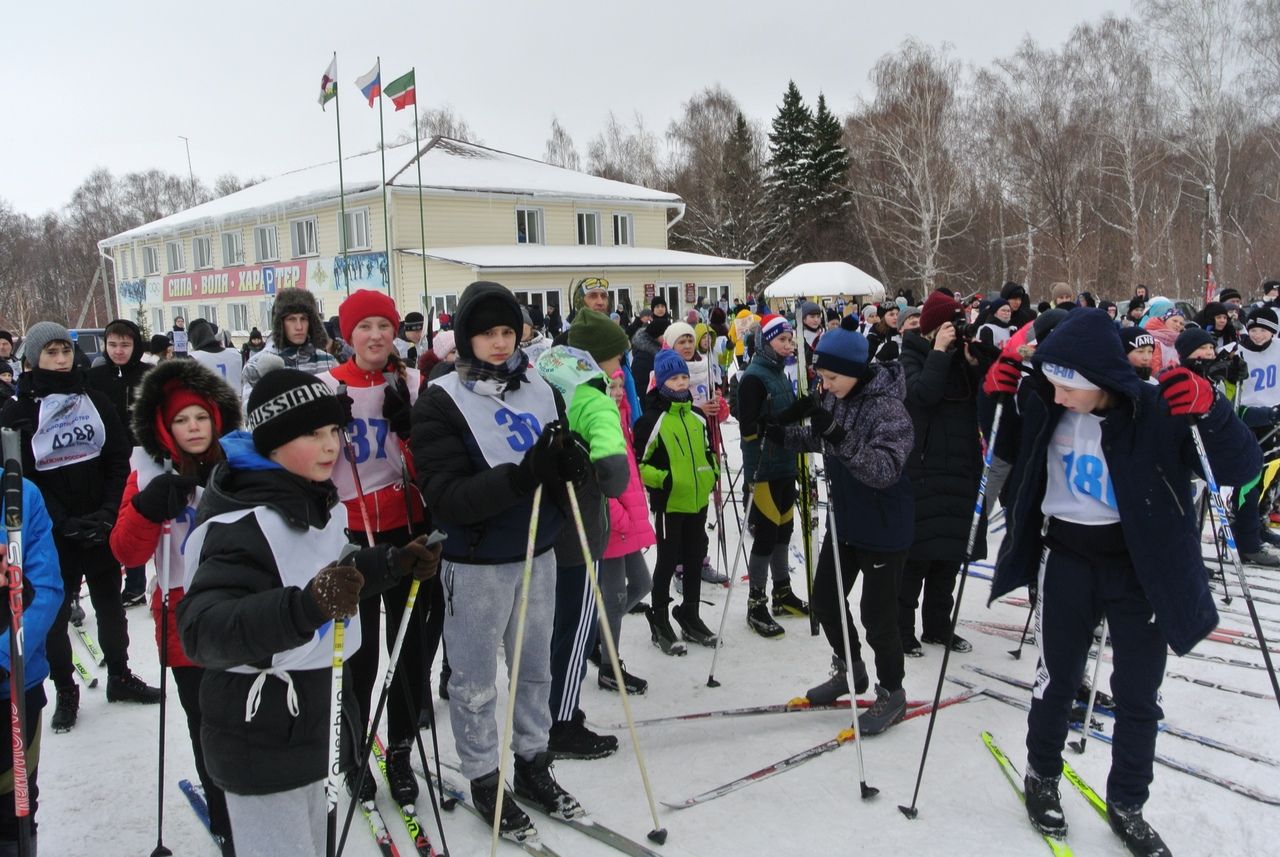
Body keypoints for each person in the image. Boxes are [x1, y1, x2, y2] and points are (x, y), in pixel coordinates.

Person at [987, 307, 1259, 857]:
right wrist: (992, 397)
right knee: (1056, 679)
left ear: (1098, 378)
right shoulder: (1045, 402)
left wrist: (1212, 410)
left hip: (1141, 566)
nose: (1059, 393)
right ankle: (1042, 775)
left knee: (1139, 696)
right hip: (1066, 555)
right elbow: (1005, 446)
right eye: (1054, 383)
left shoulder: (1156, 410)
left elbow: (1240, 464)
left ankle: (1129, 802)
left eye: (1069, 384)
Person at [177, 366, 441, 857]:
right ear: (272, 444)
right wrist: (305, 608)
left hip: (312, 727)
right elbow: (202, 630)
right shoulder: (241, 523)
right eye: (312, 433)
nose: (330, 446)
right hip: (260, 739)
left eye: (334, 430)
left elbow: (326, 571)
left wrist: (392, 562)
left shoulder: (308, 498)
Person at [410, 280, 586, 839]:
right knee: (476, 680)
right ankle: (486, 776)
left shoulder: (538, 386)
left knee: (535, 669)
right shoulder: (441, 399)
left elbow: (554, 455)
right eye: (487, 332)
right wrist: (524, 476)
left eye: (508, 331)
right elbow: (447, 497)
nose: (499, 342)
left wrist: (567, 468)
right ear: (466, 337)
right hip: (477, 560)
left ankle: (534, 761)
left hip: (538, 551)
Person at [0, 322, 160, 733]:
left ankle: (120, 675)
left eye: (65, 352)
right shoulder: (19, 411)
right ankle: (65, 688)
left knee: (110, 604)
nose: (60, 360)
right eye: (51, 353)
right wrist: (62, 521)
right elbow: (23, 476)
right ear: (34, 359)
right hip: (53, 530)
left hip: (99, 522)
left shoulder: (96, 398)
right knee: (54, 613)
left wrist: (108, 511)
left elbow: (118, 455)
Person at [110, 358, 241, 856]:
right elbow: (126, 551)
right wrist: (147, 508)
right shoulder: (146, 469)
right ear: (165, 426)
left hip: (239, 604)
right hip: (185, 612)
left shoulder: (239, 462)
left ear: (216, 419)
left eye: (201, 419)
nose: (193, 429)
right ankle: (226, 815)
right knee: (205, 721)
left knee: (247, 714)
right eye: (182, 420)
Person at [317, 289, 440, 806]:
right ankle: (353, 754)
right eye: (364, 327)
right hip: (352, 536)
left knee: (410, 652)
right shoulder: (324, 386)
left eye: (384, 326)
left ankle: (401, 753)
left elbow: (431, 460)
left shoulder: (410, 383)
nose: (375, 336)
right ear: (348, 335)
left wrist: (408, 427)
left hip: (409, 528)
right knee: (359, 657)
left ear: (396, 333)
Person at [765, 316, 915, 733]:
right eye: (821, 376)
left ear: (852, 371)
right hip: (846, 519)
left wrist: (837, 435)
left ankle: (892, 692)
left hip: (885, 527)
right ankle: (849, 669)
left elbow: (883, 469)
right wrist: (779, 433)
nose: (824, 384)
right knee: (826, 600)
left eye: (831, 376)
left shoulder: (889, 408)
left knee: (877, 616)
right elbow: (819, 437)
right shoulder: (835, 396)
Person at [535, 334, 630, 761]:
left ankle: (546, 708)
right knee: (574, 630)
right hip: (580, 533)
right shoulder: (595, 401)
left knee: (552, 623)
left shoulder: (537, 391)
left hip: (543, 531)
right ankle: (562, 720)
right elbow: (613, 472)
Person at [898, 290, 985, 657]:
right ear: (934, 328)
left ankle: (938, 625)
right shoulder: (911, 355)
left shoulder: (960, 357)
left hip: (961, 465)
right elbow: (922, 395)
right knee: (916, 556)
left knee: (949, 555)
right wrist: (938, 354)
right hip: (925, 468)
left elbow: (985, 400)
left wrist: (973, 362)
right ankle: (902, 630)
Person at [633, 350, 720, 650]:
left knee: (694, 558)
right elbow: (641, 464)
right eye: (674, 378)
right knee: (668, 561)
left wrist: (712, 473)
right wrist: (666, 481)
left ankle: (690, 614)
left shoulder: (696, 416)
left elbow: (709, 451)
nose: (681, 383)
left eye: (684, 377)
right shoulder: (652, 420)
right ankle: (659, 618)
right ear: (660, 381)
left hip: (697, 501)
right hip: (669, 504)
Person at [0, 466, 63, 857]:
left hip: (13, 686)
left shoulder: (19, 496)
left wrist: (4, 656)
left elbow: (46, 587)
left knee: (13, 812)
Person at [737, 314, 810, 638]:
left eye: (790, 340)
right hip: (763, 467)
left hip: (786, 465)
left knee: (784, 531)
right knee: (766, 536)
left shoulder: (780, 374)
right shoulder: (754, 377)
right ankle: (756, 602)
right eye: (782, 340)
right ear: (767, 342)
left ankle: (783, 592)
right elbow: (749, 428)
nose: (789, 345)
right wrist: (790, 415)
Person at [85, 318, 150, 606]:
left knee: (135, 517)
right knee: (110, 516)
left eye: (125, 345)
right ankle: (108, 580)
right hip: (106, 460)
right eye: (113, 345)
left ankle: (136, 583)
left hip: (142, 456)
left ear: (135, 346)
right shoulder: (93, 378)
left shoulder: (150, 374)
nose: (119, 351)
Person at [242, 288, 338, 399]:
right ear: (280, 323)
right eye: (291, 319)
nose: (299, 327)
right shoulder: (256, 365)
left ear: (311, 322)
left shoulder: (327, 361)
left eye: (303, 319)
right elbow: (249, 410)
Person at [187, 319, 243, 396]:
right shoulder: (236, 354)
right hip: (237, 403)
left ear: (194, 339)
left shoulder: (194, 359)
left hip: (209, 404)